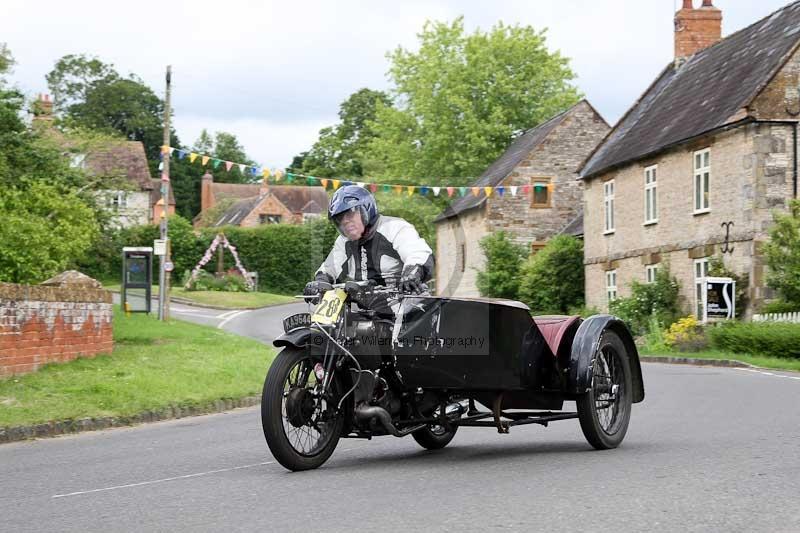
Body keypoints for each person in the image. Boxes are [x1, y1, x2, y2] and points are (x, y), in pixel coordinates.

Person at [304, 185, 434, 308]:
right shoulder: (344, 242)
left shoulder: (394, 227)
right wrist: (320, 282)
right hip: (369, 309)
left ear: (367, 209)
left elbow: (417, 252)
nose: (344, 221)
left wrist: (412, 272)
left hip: (407, 303)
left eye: (349, 214)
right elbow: (329, 268)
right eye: (339, 219)